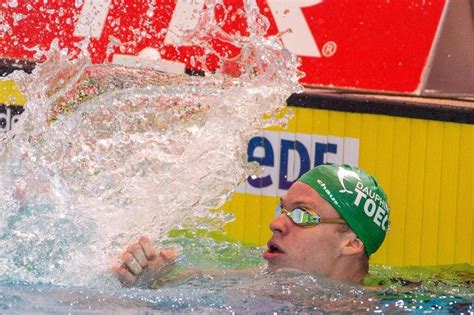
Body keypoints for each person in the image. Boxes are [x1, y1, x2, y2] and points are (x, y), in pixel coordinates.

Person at [112, 164, 390, 286]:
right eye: (283, 210)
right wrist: (150, 278)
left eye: (303, 214)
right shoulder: (253, 279)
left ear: (352, 243)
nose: (276, 223)